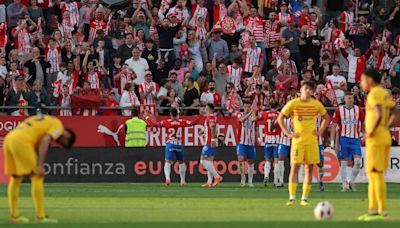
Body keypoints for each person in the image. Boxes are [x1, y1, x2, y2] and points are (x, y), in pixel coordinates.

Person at [3, 115, 76, 223]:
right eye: (62, 142)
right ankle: (40, 217)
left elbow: (37, 138)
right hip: (22, 142)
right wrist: (40, 165)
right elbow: (46, 139)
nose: (58, 142)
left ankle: (14, 216)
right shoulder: (58, 126)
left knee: (16, 178)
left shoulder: (46, 120)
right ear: (67, 134)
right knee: (37, 176)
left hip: (9, 139)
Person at [278, 81, 329, 206]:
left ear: (312, 92)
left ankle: (304, 198)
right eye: (306, 88)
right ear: (301, 89)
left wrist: (320, 131)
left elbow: (326, 118)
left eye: (310, 89)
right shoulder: (293, 103)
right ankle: (292, 197)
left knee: (309, 169)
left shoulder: (316, 104)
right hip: (298, 142)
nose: (308, 91)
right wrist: (288, 133)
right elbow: (280, 117)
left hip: (312, 141)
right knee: (294, 167)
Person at [358, 69, 400, 221]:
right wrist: (386, 128)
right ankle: (377, 210)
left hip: (375, 139)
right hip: (384, 136)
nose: (361, 82)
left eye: (362, 79)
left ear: (369, 80)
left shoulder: (374, 94)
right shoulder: (383, 92)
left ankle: (378, 211)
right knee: (377, 174)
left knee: (374, 174)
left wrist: (371, 131)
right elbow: (395, 112)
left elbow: (379, 113)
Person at [145, 108, 200, 186]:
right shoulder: (182, 122)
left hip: (170, 144)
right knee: (181, 162)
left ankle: (167, 179)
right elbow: (193, 123)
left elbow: (153, 125)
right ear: (177, 114)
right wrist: (200, 116)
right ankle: (183, 181)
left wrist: (147, 118)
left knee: (168, 162)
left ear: (170, 114)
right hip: (179, 144)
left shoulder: (166, 122)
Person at [331, 92, 365, 192]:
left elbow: (363, 123)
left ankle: (351, 181)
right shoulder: (339, 110)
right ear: (344, 99)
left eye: (351, 98)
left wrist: (364, 133)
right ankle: (344, 184)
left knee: (358, 162)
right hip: (343, 139)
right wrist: (332, 141)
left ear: (353, 99)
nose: (350, 100)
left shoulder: (359, 110)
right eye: (348, 98)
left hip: (355, 139)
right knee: (344, 163)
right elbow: (333, 126)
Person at [199, 103, 222, 187]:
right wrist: (204, 131)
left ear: (210, 110)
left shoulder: (210, 117)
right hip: (211, 140)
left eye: (206, 109)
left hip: (209, 141)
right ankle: (209, 182)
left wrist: (212, 140)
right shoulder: (213, 117)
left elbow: (212, 127)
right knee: (209, 162)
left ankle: (217, 176)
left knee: (203, 161)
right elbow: (212, 127)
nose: (205, 110)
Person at [258, 102, 280, 187]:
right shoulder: (279, 114)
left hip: (268, 138)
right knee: (276, 160)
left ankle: (266, 176)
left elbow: (255, 118)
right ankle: (275, 180)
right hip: (277, 139)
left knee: (267, 160)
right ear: (277, 107)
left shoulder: (265, 114)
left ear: (270, 106)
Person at [236, 101, 257, 187]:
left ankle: (250, 181)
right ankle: (243, 178)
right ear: (243, 107)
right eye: (246, 107)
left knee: (250, 161)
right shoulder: (240, 114)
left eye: (249, 107)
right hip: (241, 142)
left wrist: (253, 113)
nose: (247, 108)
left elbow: (254, 120)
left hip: (250, 142)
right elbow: (241, 120)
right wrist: (250, 113)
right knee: (240, 159)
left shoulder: (252, 115)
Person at [276, 116, 292, 188]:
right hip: (283, 142)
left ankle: (293, 181)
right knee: (280, 160)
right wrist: (274, 121)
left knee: (293, 163)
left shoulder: (296, 118)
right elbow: (272, 127)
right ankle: (281, 180)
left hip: (294, 143)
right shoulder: (281, 117)